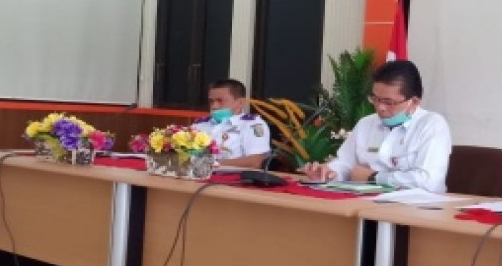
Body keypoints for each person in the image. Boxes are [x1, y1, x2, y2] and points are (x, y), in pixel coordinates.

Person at [301, 60, 452, 193]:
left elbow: (428, 181)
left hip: (416, 209)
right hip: (365, 203)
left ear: (414, 102)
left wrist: (374, 177)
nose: (380, 107)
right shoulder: (366, 124)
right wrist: (329, 172)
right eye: (375, 99)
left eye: (388, 102)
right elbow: (346, 164)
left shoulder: (431, 125)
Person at [191, 79, 271, 169]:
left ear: (240, 102)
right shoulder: (200, 124)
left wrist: (212, 164)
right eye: (211, 101)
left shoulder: (252, 125)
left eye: (220, 101)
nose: (214, 106)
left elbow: (255, 162)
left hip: (232, 176)